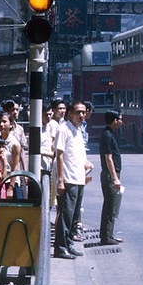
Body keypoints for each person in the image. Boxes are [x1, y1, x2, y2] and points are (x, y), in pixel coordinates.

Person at [54, 100, 92, 260]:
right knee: (66, 214)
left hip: (79, 178)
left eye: (83, 112)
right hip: (68, 179)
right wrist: (61, 180)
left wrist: (86, 164)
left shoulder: (77, 131)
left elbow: (77, 155)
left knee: (74, 215)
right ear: (70, 114)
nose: (81, 115)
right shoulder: (63, 129)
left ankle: (69, 243)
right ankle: (60, 247)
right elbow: (60, 154)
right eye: (78, 112)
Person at [99, 111, 124, 246]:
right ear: (114, 120)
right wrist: (115, 178)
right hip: (110, 175)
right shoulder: (107, 136)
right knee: (111, 206)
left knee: (111, 205)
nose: (121, 122)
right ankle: (106, 237)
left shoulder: (110, 134)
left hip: (111, 175)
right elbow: (108, 158)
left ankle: (108, 234)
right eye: (120, 119)